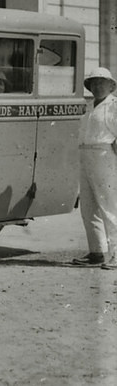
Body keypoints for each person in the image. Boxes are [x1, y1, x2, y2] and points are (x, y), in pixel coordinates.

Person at [71, 67, 117, 269]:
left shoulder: (114, 106)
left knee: (110, 207)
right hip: (86, 156)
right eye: (94, 83)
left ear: (111, 86)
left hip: (105, 157)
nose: (97, 87)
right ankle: (96, 252)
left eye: (102, 82)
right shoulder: (89, 107)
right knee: (88, 208)